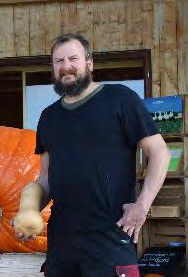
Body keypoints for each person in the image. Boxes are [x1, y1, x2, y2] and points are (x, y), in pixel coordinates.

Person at [13, 33, 171, 277]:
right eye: (59, 61)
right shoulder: (48, 117)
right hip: (62, 242)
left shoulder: (120, 99)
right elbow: (45, 179)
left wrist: (142, 205)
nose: (66, 66)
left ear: (89, 63)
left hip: (110, 237)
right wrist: (29, 212)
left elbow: (160, 152)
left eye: (73, 58)